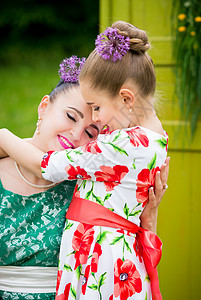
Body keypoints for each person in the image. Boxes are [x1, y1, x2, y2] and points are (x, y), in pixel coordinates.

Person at [0, 20, 169, 299]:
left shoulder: (101, 163)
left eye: (93, 129)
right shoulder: (142, 143)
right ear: (44, 106)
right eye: (70, 116)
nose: (79, 133)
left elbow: (48, 168)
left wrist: (4, 137)